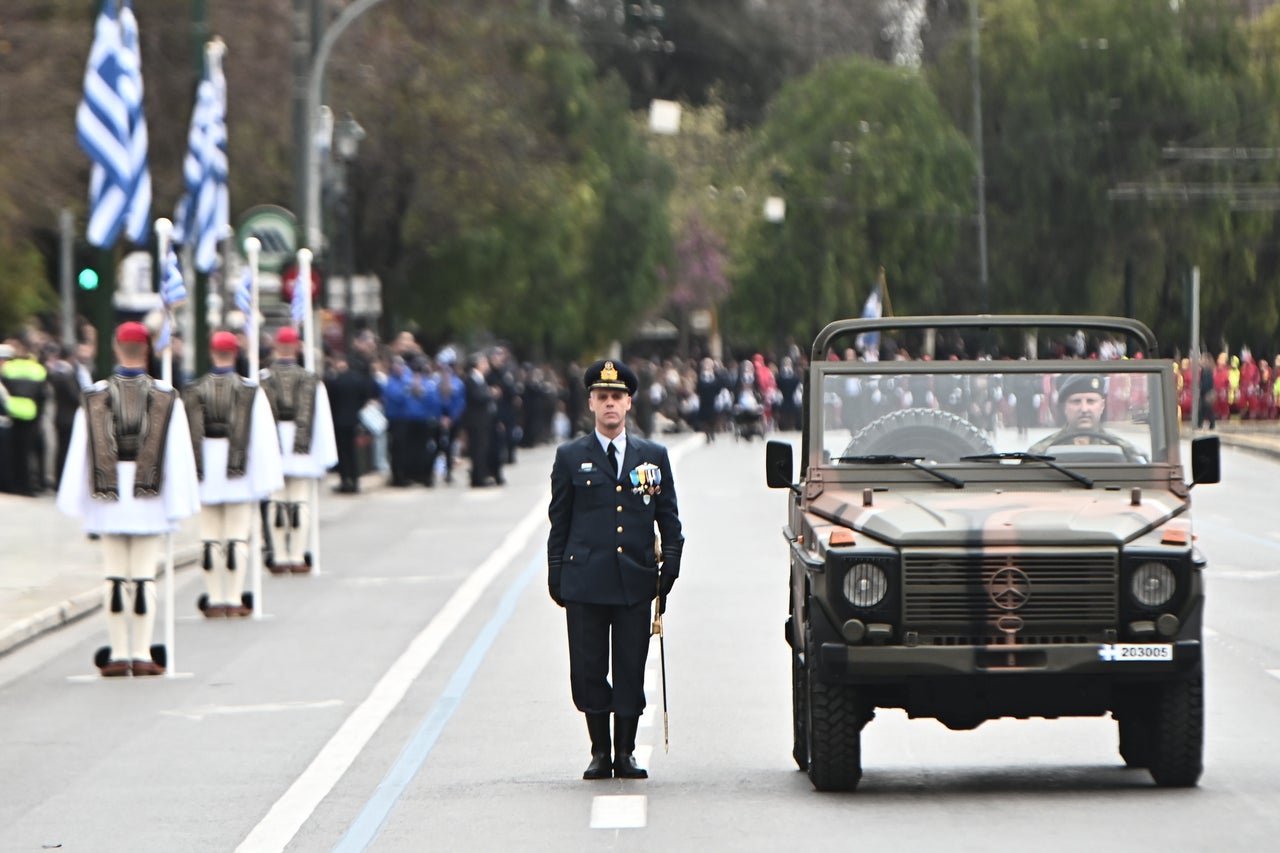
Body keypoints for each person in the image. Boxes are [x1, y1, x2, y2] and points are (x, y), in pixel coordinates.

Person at [546, 359, 685, 781]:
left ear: (629, 403)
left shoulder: (652, 456)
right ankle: (599, 751)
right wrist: (557, 574)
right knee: (588, 670)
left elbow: (669, 518)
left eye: (617, 397)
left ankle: (624, 753)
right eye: (602, 397)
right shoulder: (571, 457)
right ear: (590, 402)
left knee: (629, 666)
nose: (610, 404)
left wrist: (672, 563)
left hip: (633, 580)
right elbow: (560, 521)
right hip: (585, 581)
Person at [56, 322, 201, 676]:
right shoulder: (167, 398)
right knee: (144, 578)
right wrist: (180, 502)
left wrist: (78, 500)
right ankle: (142, 652)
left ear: (116, 348)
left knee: (114, 577)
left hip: (108, 497)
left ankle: (120, 652)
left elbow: (81, 453)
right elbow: (178, 455)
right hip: (150, 496)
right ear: (148, 350)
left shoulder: (93, 396)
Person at [183, 331, 284, 617]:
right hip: (238, 467)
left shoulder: (193, 390)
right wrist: (264, 477)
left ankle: (215, 597)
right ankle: (234, 596)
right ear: (235, 354)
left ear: (211, 353)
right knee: (237, 537)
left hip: (205, 469)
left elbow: (184, 436)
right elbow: (263, 438)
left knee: (210, 537)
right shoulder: (251, 391)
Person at [259, 327, 338, 573]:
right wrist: (325, 454)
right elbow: (322, 419)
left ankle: (280, 556)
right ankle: (296, 554)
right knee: (300, 503)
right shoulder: (311, 380)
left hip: (273, 445)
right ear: (298, 347)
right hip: (302, 446)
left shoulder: (262, 379)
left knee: (276, 504)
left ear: (275, 347)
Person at [1029, 373, 1145, 461]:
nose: (1084, 409)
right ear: (1064, 407)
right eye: (1076, 402)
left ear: (1102, 406)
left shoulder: (1125, 452)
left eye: (1091, 401)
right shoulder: (1041, 453)